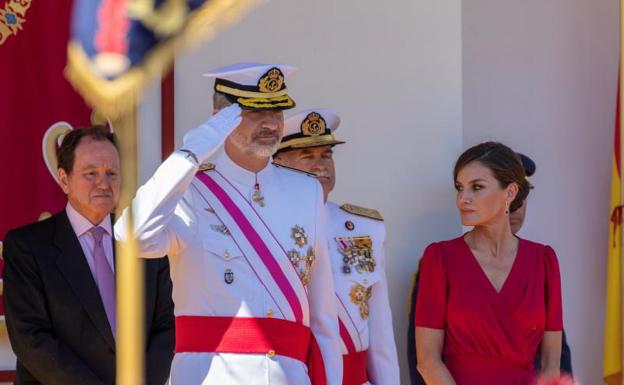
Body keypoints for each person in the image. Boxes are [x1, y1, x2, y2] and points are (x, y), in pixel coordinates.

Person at [115, 63, 342, 385]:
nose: (270, 124)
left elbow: (323, 318)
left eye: (277, 112)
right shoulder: (190, 188)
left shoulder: (306, 191)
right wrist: (194, 150)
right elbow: (132, 237)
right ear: (220, 117)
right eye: (253, 112)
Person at [3, 126, 175, 385]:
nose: (104, 184)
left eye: (111, 173)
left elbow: (165, 328)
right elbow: (31, 339)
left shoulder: (145, 242)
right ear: (64, 179)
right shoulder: (28, 247)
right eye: (90, 173)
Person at [407, 152, 573, 384]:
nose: (463, 198)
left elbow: (551, 363)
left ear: (510, 193)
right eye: (459, 187)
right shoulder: (440, 258)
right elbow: (427, 360)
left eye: (476, 187)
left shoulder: (544, 260)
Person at [273, 109, 400, 385]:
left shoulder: (365, 228)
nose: (321, 166)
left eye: (326, 155)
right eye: (308, 157)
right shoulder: (262, 229)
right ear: (277, 164)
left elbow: (380, 331)